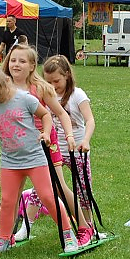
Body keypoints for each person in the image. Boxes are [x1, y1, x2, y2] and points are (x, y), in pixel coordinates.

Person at [0, 66, 79, 256]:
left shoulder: (25, 99)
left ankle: (68, 235)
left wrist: (46, 133)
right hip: (10, 162)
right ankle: (4, 240)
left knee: (48, 197)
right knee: (7, 201)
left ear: (6, 82)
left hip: (35, 159)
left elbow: (45, 115)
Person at [0, 44, 92, 245]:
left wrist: (69, 136)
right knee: (13, 193)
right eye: (13, 60)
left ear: (32, 65)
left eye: (22, 61)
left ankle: (84, 227)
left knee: (58, 187)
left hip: (46, 144)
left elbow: (61, 114)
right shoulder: (5, 87)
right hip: (18, 148)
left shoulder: (40, 88)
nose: (16, 64)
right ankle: (8, 236)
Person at [41, 54, 97, 233]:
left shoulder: (77, 95)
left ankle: (89, 226)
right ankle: (26, 227)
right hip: (54, 151)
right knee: (43, 187)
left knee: (84, 190)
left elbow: (90, 120)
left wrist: (86, 140)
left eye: (56, 81)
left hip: (77, 150)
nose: (52, 86)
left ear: (67, 75)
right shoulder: (47, 96)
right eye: (48, 82)